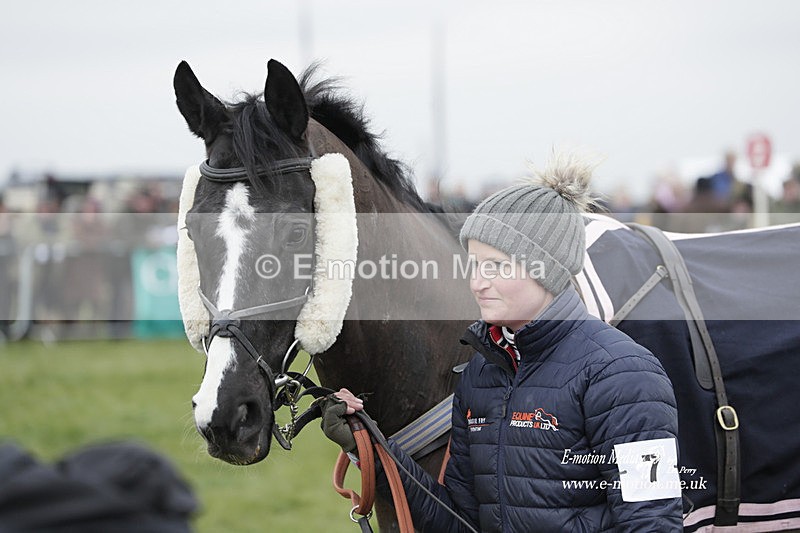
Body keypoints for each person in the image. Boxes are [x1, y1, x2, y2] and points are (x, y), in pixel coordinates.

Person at [320, 153, 683, 532]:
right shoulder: (480, 373)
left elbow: (653, 523)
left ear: (545, 268)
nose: (478, 282)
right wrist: (369, 448)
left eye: (496, 266)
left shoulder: (624, 375)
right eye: (475, 265)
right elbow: (457, 521)